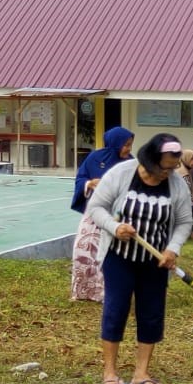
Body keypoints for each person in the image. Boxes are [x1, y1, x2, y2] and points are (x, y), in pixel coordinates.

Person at [87, 133, 193, 384]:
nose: (168, 173)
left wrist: (172, 248)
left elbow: (184, 222)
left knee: (151, 313)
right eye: (164, 167)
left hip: (155, 262)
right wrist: (115, 227)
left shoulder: (177, 185)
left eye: (172, 168)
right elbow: (96, 207)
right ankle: (110, 373)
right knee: (116, 310)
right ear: (151, 160)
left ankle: (141, 374)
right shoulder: (122, 173)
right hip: (119, 257)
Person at [69, 126, 134, 302]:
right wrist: (90, 183)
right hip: (94, 212)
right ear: (115, 143)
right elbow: (80, 178)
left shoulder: (131, 164)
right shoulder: (95, 158)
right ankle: (83, 290)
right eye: (126, 145)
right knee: (84, 249)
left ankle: (107, 293)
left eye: (130, 145)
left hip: (116, 215)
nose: (128, 149)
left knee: (108, 252)